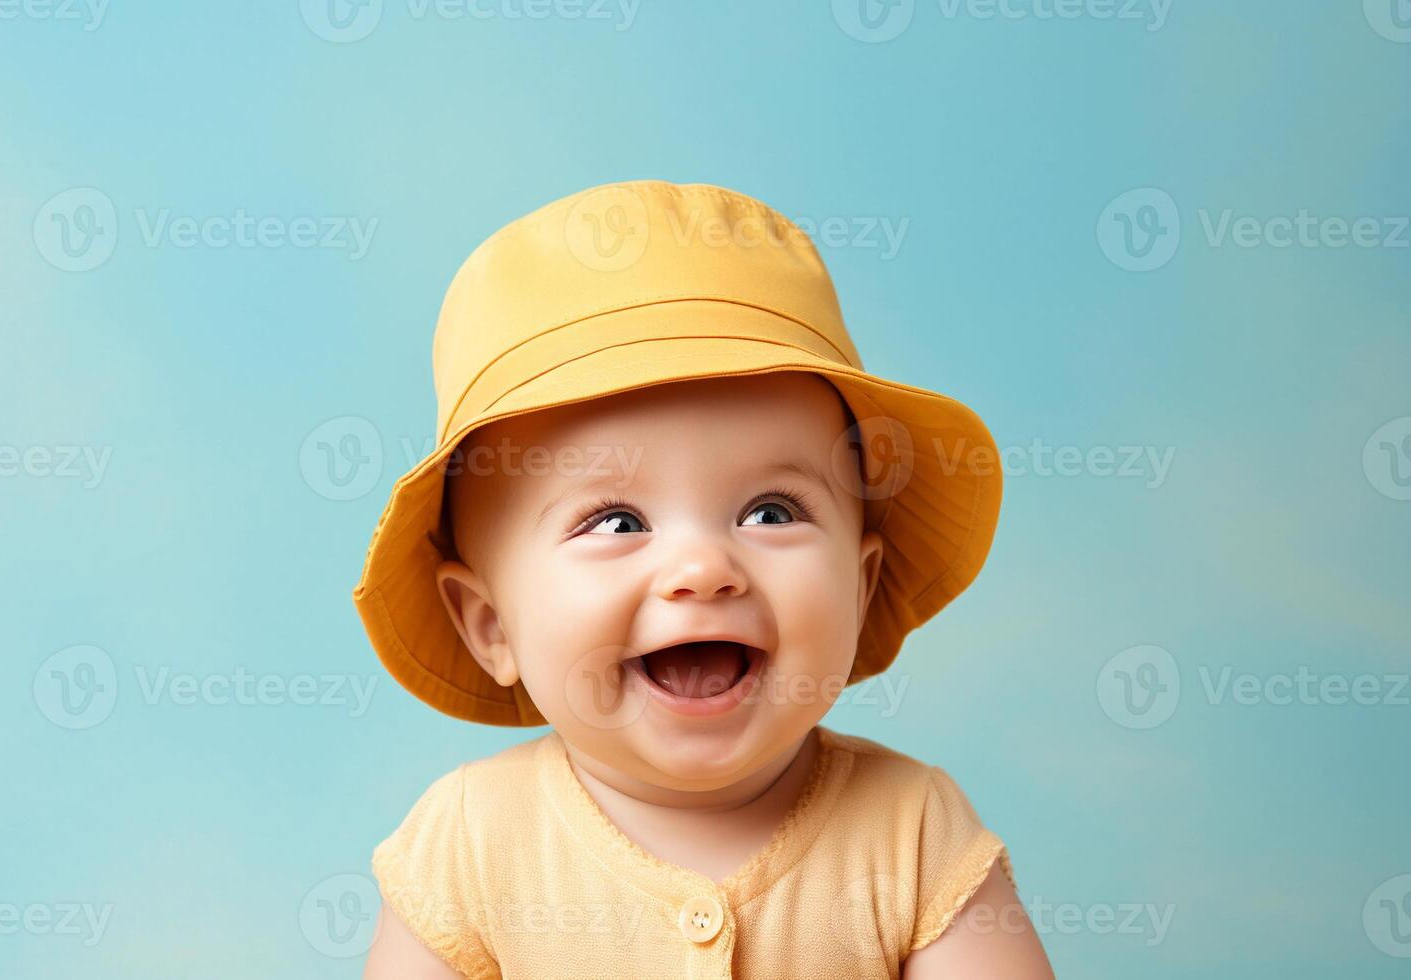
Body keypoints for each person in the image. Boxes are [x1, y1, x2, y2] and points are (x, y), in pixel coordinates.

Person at [356, 180, 1053, 978]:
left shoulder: (917, 834)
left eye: (770, 512)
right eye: (617, 523)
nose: (703, 570)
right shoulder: (465, 851)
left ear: (861, 590)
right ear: (490, 625)